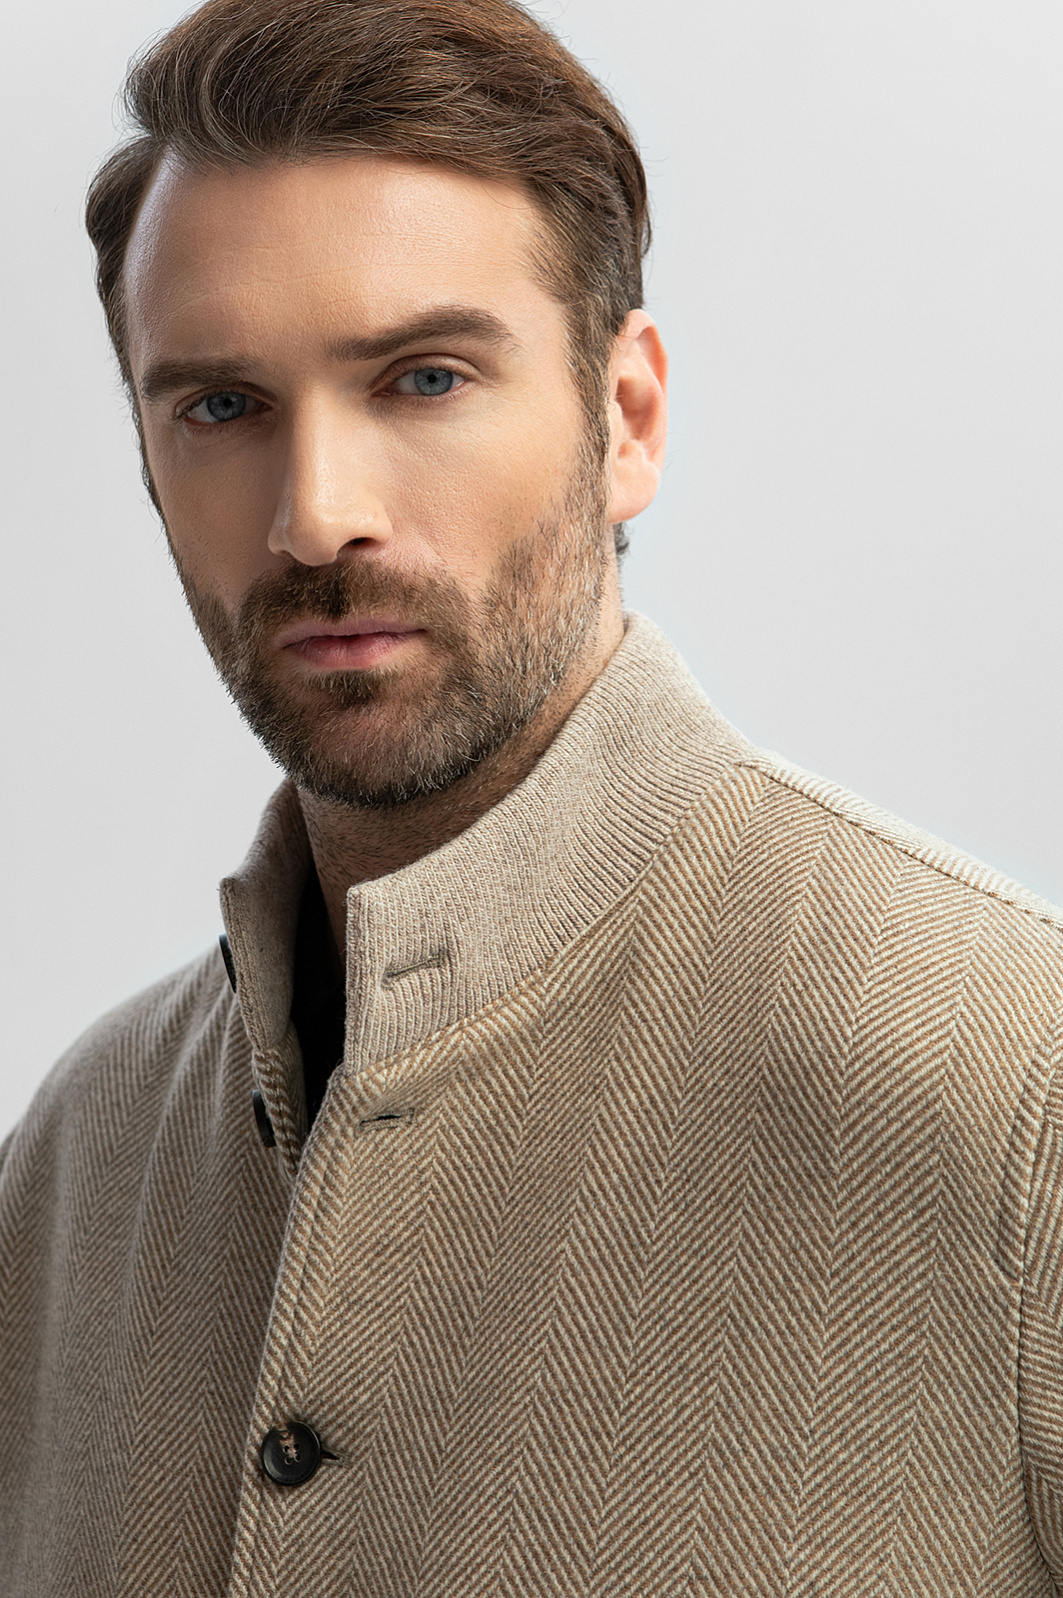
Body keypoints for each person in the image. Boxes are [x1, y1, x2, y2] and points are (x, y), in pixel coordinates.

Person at [3, 0, 1063, 1591]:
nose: (316, 515)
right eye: (221, 406)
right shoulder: (74, 1167)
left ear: (625, 419)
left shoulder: (1015, 1085)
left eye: (423, 378)